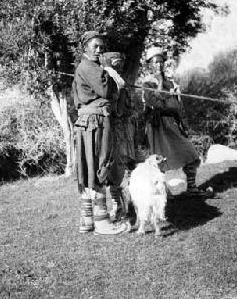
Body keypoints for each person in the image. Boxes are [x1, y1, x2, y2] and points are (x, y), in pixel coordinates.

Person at [72, 31, 129, 234]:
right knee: (99, 166)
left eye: (101, 47)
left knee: (91, 167)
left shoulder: (90, 68)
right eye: (95, 46)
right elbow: (106, 91)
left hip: (93, 122)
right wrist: (110, 72)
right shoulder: (88, 67)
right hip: (94, 123)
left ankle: (87, 221)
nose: (99, 50)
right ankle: (102, 222)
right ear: (85, 48)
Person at [141, 46, 206, 195]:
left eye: (161, 62)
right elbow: (156, 104)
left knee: (191, 155)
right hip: (157, 126)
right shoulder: (147, 84)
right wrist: (159, 84)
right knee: (159, 161)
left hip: (173, 123)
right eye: (155, 62)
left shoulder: (172, 83)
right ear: (149, 65)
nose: (158, 65)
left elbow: (178, 106)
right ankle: (163, 192)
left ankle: (191, 188)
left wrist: (184, 124)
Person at [100, 52, 137, 222]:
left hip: (124, 131)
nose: (118, 67)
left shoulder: (120, 83)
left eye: (120, 64)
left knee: (125, 167)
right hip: (110, 131)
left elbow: (127, 108)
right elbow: (114, 108)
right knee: (112, 170)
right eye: (115, 64)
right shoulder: (106, 81)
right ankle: (118, 205)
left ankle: (129, 205)